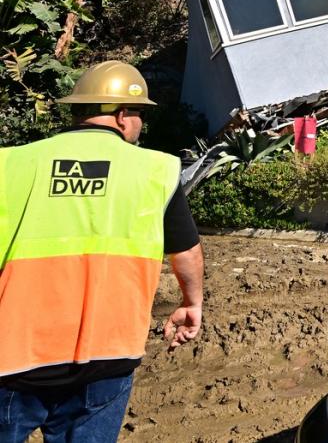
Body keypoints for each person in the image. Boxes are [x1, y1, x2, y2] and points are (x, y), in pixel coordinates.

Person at [0, 61, 204, 442]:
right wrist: (192, 303)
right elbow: (186, 250)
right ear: (123, 115)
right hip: (106, 353)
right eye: (141, 113)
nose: (141, 124)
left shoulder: (9, 162)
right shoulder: (155, 170)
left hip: (15, 353)